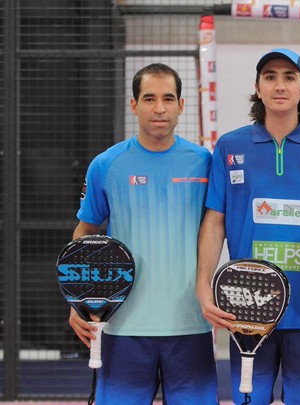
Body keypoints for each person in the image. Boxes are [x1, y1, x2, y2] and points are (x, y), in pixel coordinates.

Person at [196, 48, 300, 405]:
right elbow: (215, 220)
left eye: (289, 77)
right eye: (270, 76)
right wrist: (203, 285)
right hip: (248, 310)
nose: (279, 85)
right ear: (257, 87)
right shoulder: (229, 146)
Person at [68, 63, 218, 404]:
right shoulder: (106, 164)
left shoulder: (205, 163)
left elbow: (219, 227)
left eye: (168, 98)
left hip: (190, 324)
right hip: (122, 326)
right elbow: (86, 230)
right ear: (134, 105)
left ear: (182, 105)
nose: (159, 108)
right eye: (149, 99)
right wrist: (77, 299)